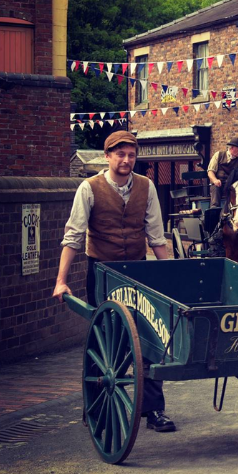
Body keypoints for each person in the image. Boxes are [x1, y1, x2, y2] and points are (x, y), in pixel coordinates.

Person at [52, 130, 176, 432]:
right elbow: (73, 236)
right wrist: (61, 280)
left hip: (138, 271)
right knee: (105, 340)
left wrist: (173, 276)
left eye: (131, 155)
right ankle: (96, 406)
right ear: (107, 157)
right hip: (102, 271)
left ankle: (153, 409)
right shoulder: (89, 188)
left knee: (149, 338)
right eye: (120, 154)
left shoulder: (147, 188)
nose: (126, 160)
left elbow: (157, 237)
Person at [207, 137, 238, 207]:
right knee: (215, 188)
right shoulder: (218, 155)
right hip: (218, 184)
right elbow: (210, 171)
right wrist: (215, 180)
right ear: (232, 148)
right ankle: (214, 209)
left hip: (231, 186)